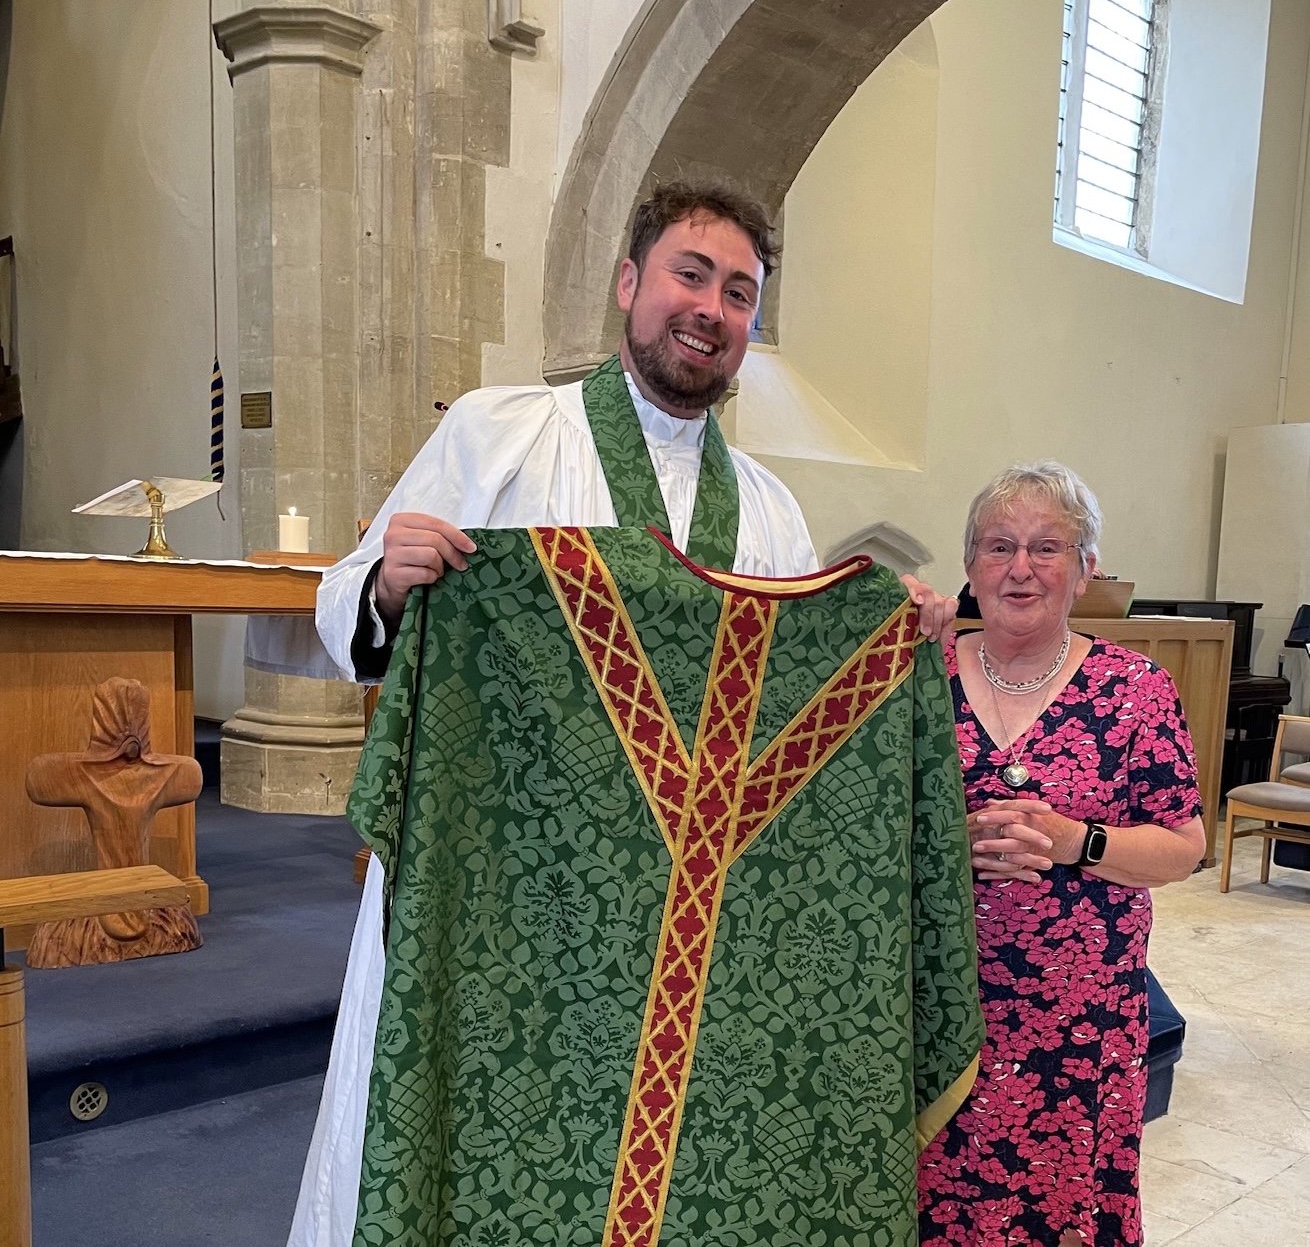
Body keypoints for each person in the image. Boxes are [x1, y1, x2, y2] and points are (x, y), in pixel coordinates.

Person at [294, 180, 957, 1247]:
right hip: (509, 905)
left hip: (688, 938)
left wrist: (895, 636)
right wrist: (384, 582)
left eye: (739, 293)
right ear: (628, 283)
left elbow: (804, 707)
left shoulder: (774, 510)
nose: (710, 308)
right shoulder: (499, 433)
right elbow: (343, 599)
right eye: (690, 274)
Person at [917, 461, 1206, 1247]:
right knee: (939, 1195)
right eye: (999, 545)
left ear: (1085, 571)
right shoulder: (918, 676)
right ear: (970, 563)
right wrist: (952, 841)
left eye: (1048, 548)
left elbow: (1184, 847)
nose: (1020, 568)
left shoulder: (1134, 687)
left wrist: (1078, 841)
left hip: (1078, 1021)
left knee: (1057, 1206)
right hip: (939, 1004)